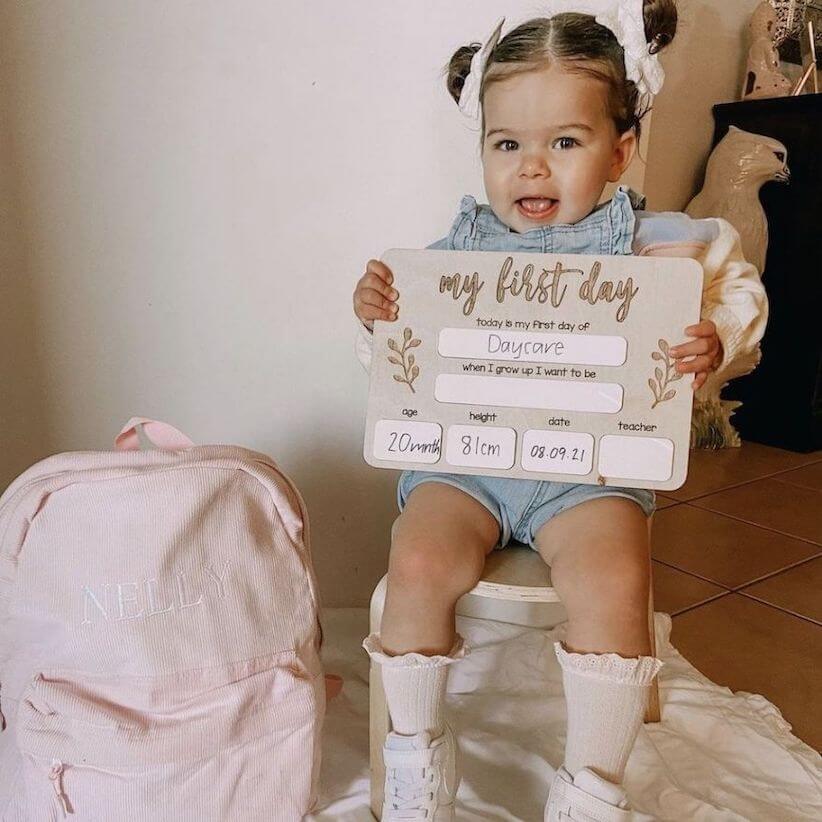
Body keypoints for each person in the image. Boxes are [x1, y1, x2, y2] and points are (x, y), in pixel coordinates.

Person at [352, 3, 768, 820]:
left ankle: (593, 785)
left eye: (564, 143)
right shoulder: (458, 249)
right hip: (468, 466)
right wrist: (379, 314)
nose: (532, 168)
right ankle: (415, 752)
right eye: (508, 145)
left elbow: (740, 302)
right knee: (418, 561)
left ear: (620, 152)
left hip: (588, 472)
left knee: (616, 573)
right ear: (482, 151)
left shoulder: (661, 247)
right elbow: (409, 361)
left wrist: (711, 338)